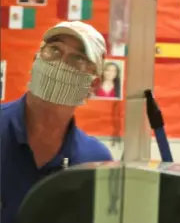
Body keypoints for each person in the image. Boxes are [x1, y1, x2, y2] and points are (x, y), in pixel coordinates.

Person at [0, 21, 113, 223]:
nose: (61, 63)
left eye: (78, 58)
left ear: (93, 84)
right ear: (36, 60)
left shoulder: (95, 162)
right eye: (54, 50)